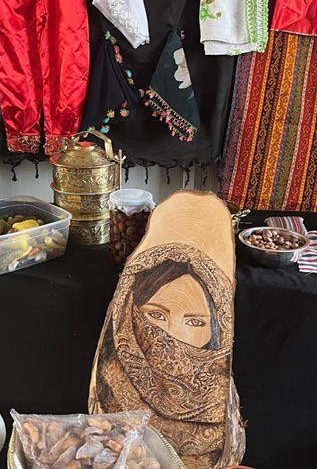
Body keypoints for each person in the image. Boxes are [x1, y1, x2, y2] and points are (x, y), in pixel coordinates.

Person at [89, 191, 245, 469]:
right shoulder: (108, 386)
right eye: (157, 316)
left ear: (216, 333)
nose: (172, 336)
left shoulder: (216, 411)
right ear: (130, 313)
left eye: (195, 322)